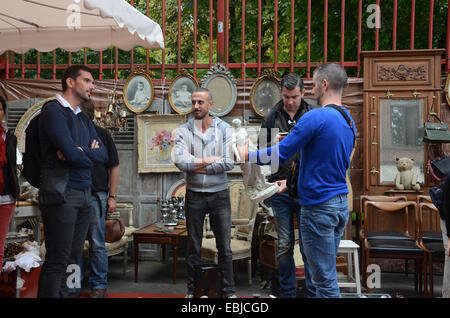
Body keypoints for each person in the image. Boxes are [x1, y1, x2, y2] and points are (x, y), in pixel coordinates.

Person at [243, 63, 355, 298]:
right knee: (325, 275)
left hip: (318, 207)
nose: (313, 90)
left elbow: (279, 154)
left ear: (324, 84)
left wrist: (247, 156)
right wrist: (290, 182)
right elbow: (325, 162)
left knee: (324, 283)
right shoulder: (348, 120)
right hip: (338, 205)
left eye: (313, 85)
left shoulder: (314, 117)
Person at [37, 65, 108, 298]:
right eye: (87, 81)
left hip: (85, 194)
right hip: (62, 192)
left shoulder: (83, 119)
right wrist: (82, 152)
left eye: (92, 81)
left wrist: (80, 152)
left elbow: (103, 155)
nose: (92, 86)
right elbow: (70, 151)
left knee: (73, 257)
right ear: (70, 82)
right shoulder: (53, 111)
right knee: (58, 257)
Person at [173, 87, 236, 298]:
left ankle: (228, 291)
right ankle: (193, 291)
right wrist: (209, 160)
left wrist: (197, 165)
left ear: (210, 104)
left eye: (200, 102)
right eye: (193, 102)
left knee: (224, 247)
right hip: (194, 196)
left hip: (219, 195)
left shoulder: (225, 129)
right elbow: (180, 162)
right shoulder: (183, 130)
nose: (196, 106)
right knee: (193, 246)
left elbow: (228, 161)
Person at [257, 73, 311, 298]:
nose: (290, 101)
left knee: (308, 245)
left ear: (303, 93)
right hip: (279, 187)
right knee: (285, 244)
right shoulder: (271, 116)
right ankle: (287, 292)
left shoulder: (312, 113)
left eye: (295, 97)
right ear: (281, 93)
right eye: (287, 96)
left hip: (305, 187)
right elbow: (261, 154)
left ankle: (311, 290)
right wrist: (273, 144)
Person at [70, 100, 120, 298]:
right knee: (74, 243)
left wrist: (112, 196)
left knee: (97, 242)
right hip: (72, 193)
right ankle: (73, 284)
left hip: (95, 193)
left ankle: (99, 285)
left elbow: (114, 166)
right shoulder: (69, 134)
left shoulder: (102, 134)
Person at [0, 96, 20, 268]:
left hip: (5, 198)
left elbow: (13, 166)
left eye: (0, 109)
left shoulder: (10, 138)